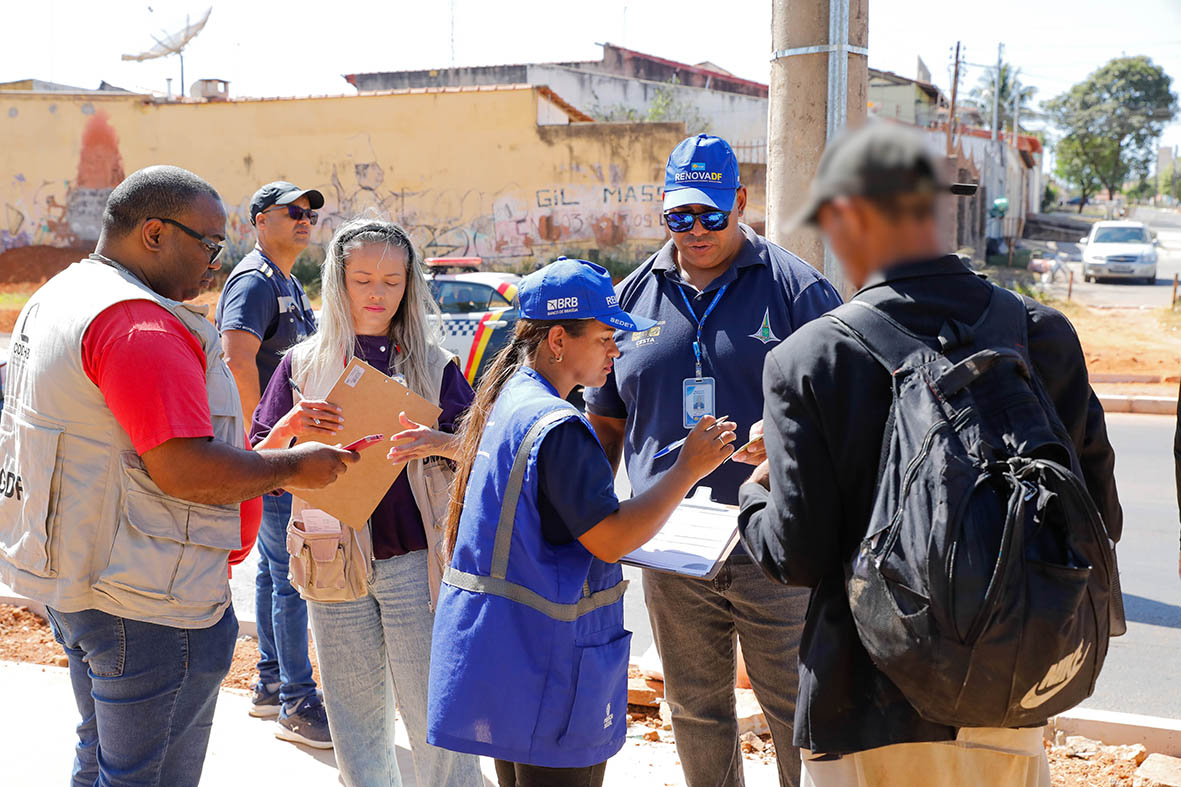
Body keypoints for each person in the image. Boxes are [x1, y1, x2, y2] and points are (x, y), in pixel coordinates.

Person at [737, 123, 1122, 786]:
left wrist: (757, 493)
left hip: (858, 711)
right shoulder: (1041, 334)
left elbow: (795, 553)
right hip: (1008, 698)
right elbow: (1097, 521)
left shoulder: (807, 359)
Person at [0, 165, 357, 787]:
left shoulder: (63, 295)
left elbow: (122, 444)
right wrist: (299, 465)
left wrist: (271, 442)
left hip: (84, 579)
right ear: (156, 233)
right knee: (148, 775)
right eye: (210, 244)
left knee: (108, 762)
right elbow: (184, 470)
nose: (218, 262)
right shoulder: (140, 326)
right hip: (148, 603)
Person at [583, 134, 843, 787]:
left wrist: (786, 436)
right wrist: (592, 518)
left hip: (775, 551)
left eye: (710, 215)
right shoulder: (629, 299)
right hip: (669, 549)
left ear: (740, 202)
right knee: (694, 710)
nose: (694, 230)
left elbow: (849, 409)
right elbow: (606, 420)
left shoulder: (796, 290)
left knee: (796, 711)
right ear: (662, 210)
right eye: (678, 216)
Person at [427, 258, 739, 787]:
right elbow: (612, 537)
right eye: (604, 337)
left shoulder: (510, 400)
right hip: (550, 670)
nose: (616, 350)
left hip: (510, 660)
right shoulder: (560, 427)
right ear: (557, 340)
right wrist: (688, 468)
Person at [252, 217, 483, 786]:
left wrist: (442, 443)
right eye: (362, 279)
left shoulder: (434, 366)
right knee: (356, 729)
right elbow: (257, 464)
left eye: (392, 280)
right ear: (337, 281)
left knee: (439, 726)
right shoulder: (302, 365)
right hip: (332, 564)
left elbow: (484, 455)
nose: (378, 294)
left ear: (409, 285)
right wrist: (290, 424)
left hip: (416, 567)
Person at [215, 180, 329, 742]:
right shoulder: (255, 280)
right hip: (272, 450)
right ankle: (296, 701)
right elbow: (237, 359)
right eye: (293, 211)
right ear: (261, 220)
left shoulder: (285, 280)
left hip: (276, 447)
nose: (305, 219)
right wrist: (261, 450)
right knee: (291, 577)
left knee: (272, 568)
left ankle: (268, 683)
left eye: (310, 213)